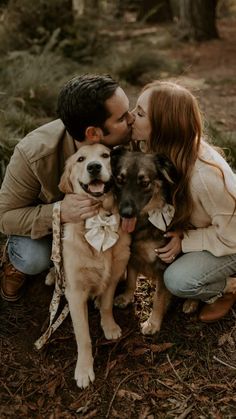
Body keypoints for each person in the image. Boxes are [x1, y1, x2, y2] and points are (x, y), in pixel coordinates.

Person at [0, 74, 134, 302]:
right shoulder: (33, 153)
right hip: (48, 230)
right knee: (33, 258)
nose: (132, 120)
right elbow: (4, 217)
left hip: (102, 222)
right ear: (93, 133)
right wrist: (58, 212)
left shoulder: (130, 139)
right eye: (122, 118)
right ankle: (16, 265)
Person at [131, 80, 236, 322]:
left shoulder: (204, 178)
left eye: (139, 113)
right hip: (209, 229)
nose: (130, 117)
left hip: (230, 240)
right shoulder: (160, 154)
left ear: (163, 126)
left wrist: (185, 241)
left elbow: (232, 236)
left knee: (179, 281)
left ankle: (228, 288)